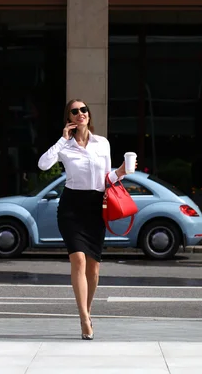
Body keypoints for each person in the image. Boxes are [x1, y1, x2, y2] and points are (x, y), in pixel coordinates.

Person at [38, 99, 136, 340]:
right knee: (78, 261)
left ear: (89, 115)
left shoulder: (101, 143)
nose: (80, 113)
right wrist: (62, 139)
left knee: (93, 267)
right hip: (71, 207)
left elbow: (107, 177)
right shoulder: (65, 147)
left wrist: (122, 171)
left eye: (84, 110)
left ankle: (87, 311)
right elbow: (43, 164)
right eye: (75, 111)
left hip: (95, 206)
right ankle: (83, 318)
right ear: (69, 117)